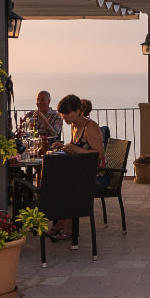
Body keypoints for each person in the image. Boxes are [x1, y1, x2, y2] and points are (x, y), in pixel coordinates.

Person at [49, 94, 105, 241]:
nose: (64, 117)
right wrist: (64, 147)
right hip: (78, 169)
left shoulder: (90, 127)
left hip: (93, 173)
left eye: (67, 114)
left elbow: (99, 154)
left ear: (78, 111)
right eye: (62, 114)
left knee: (67, 185)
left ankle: (68, 227)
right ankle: (61, 222)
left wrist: (74, 149)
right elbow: (75, 147)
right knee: (54, 181)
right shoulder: (74, 125)